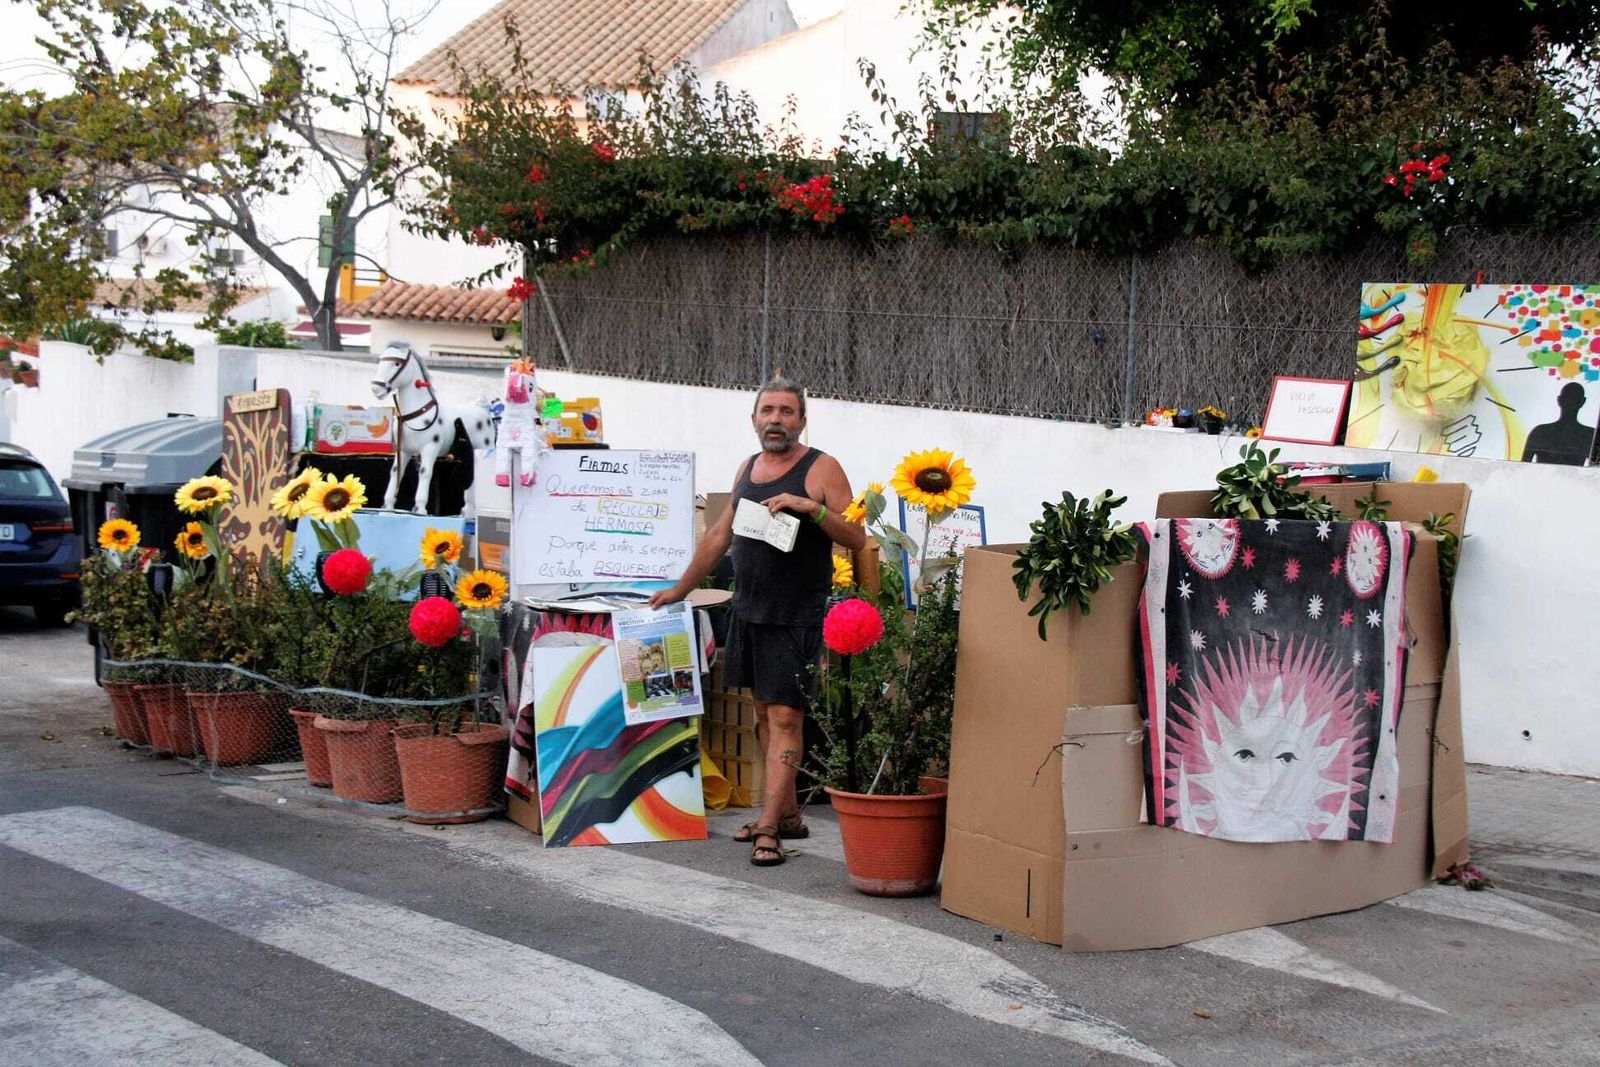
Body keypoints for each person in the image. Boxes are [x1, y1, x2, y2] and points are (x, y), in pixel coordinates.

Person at [651, 378, 865, 866]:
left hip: (797, 614)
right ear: (754, 419)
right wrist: (680, 590)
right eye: (768, 410)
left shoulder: (822, 467)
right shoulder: (749, 467)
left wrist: (812, 508)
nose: (776, 420)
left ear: (802, 421)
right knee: (765, 714)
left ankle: (769, 828)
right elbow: (719, 536)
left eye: (787, 412)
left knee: (788, 717)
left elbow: (856, 535)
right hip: (750, 609)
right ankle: (788, 815)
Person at [1522, 382, 1596, 466]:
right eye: (1569, 398)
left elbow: (1595, 472)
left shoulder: (1590, 435)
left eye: (1574, 399)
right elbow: (1523, 466)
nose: (1571, 402)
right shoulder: (1541, 432)